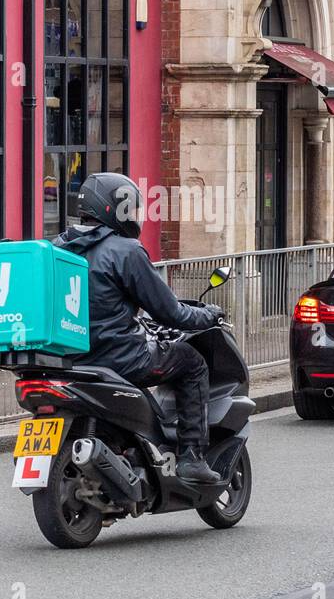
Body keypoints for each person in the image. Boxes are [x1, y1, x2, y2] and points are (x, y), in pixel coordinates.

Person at [53, 173, 225, 483]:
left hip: (66, 360)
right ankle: (191, 457)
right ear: (111, 208)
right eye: (128, 209)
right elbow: (170, 312)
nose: (133, 217)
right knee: (192, 363)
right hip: (117, 357)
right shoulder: (126, 251)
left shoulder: (58, 248)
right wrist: (209, 315)